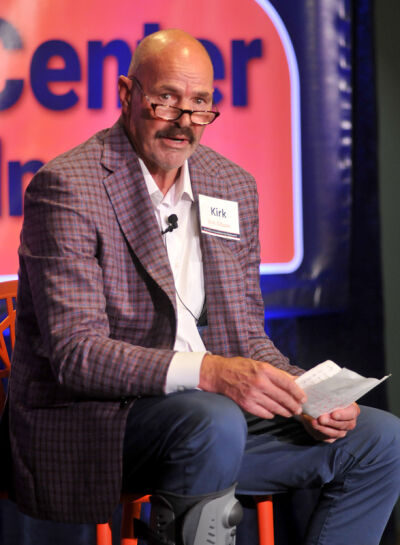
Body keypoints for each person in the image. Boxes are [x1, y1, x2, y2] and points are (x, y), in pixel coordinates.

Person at [8, 28, 400, 545]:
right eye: (166, 99)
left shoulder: (231, 186)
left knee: (379, 438)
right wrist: (211, 372)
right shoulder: (69, 187)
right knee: (210, 416)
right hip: (100, 427)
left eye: (200, 104)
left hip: (215, 426)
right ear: (127, 94)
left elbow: (247, 337)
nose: (184, 122)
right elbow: (77, 355)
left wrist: (305, 394)